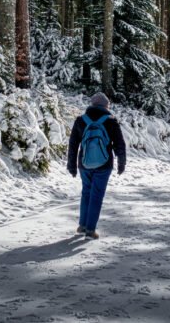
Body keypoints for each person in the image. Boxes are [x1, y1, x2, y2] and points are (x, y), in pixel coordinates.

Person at [67, 92, 126, 239]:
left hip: (84, 164)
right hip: (104, 164)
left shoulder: (81, 120)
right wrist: (121, 163)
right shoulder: (111, 121)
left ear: (92, 105)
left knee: (86, 192)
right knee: (97, 195)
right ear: (106, 106)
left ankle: (82, 225)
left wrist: (72, 166)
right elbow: (120, 144)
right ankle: (90, 229)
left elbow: (73, 145)